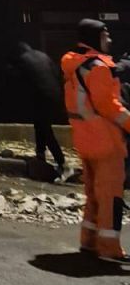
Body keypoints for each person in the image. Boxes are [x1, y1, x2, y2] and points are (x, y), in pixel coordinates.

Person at [62, 18, 130, 261]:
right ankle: (110, 249)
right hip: (106, 141)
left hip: (85, 140)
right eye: (105, 35)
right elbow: (110, 107)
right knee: (111, 196)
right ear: (95, 38)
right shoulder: (99, 68)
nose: (109, 40)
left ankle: (89, 241)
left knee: (93, 194)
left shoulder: (74, 65)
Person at [11, 40, 66, 179]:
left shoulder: (23, 59)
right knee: (40, 124)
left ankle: (60, 160)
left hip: (40, 96)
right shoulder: (42, 55)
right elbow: (56, 72)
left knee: (45, 128)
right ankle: (40, 154)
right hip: (55, 94)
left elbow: (18, 79)